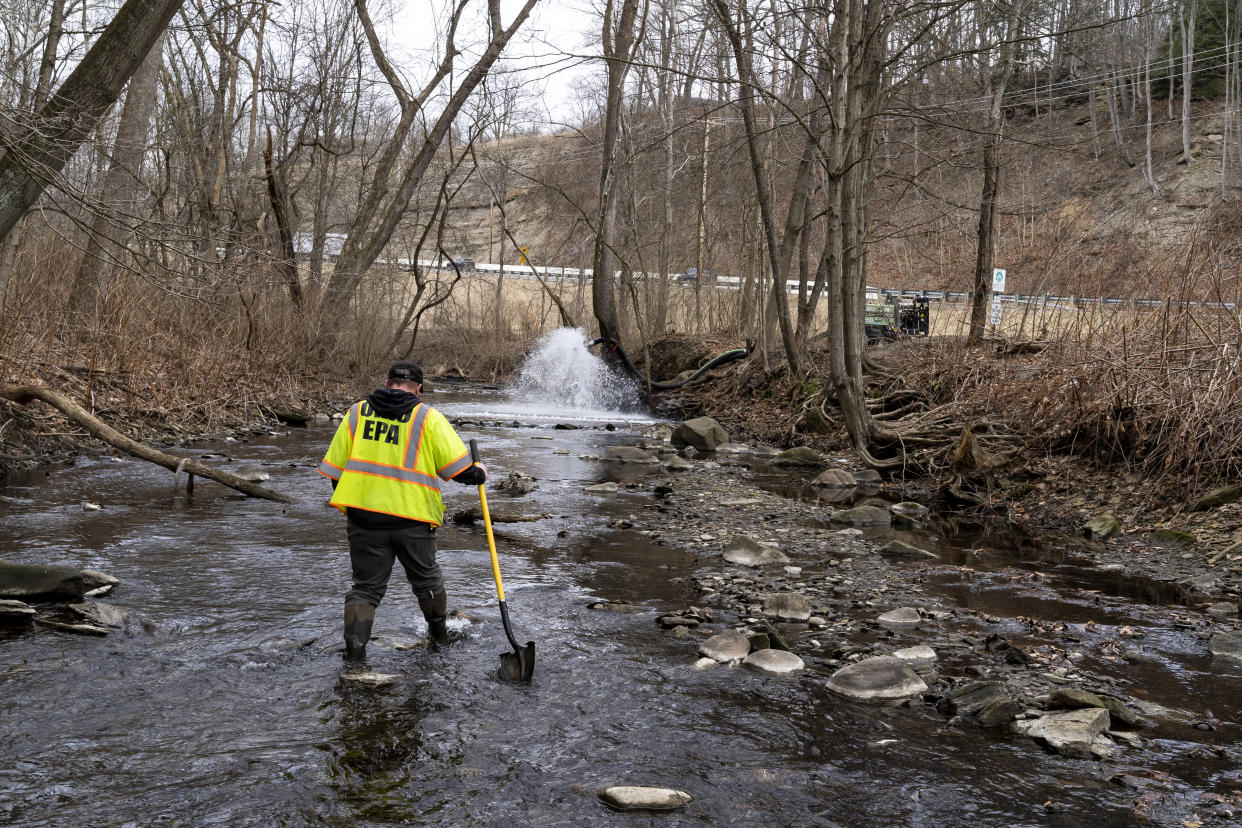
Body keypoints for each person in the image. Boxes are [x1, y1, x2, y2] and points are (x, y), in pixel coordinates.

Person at [318, 360, 485, 661]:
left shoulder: (356, 413)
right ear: (419, 388)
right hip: (413, 519)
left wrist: (356, 509)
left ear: (387, 382)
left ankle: (355, 659)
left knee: (365, 589)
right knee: (427, 581)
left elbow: (334, 471)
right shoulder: (428, 417)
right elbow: (459, 471)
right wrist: (480, 473)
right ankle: (439, 639)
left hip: (365, 519)